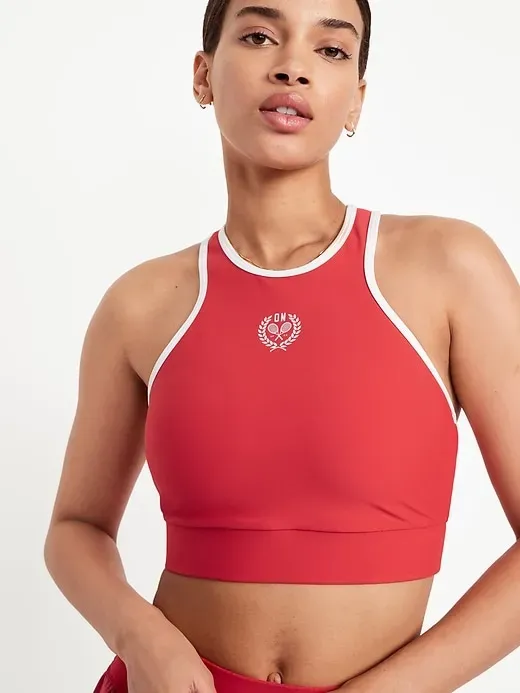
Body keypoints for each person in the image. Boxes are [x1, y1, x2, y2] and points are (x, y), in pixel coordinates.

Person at [43, 1, 520, 692]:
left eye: (330, 50)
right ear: (203, 75)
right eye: (261, 35)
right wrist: (141, 637)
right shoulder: (140, 306)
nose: (293, 67)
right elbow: (75, 527)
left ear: (355, 100)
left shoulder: (448, 268)